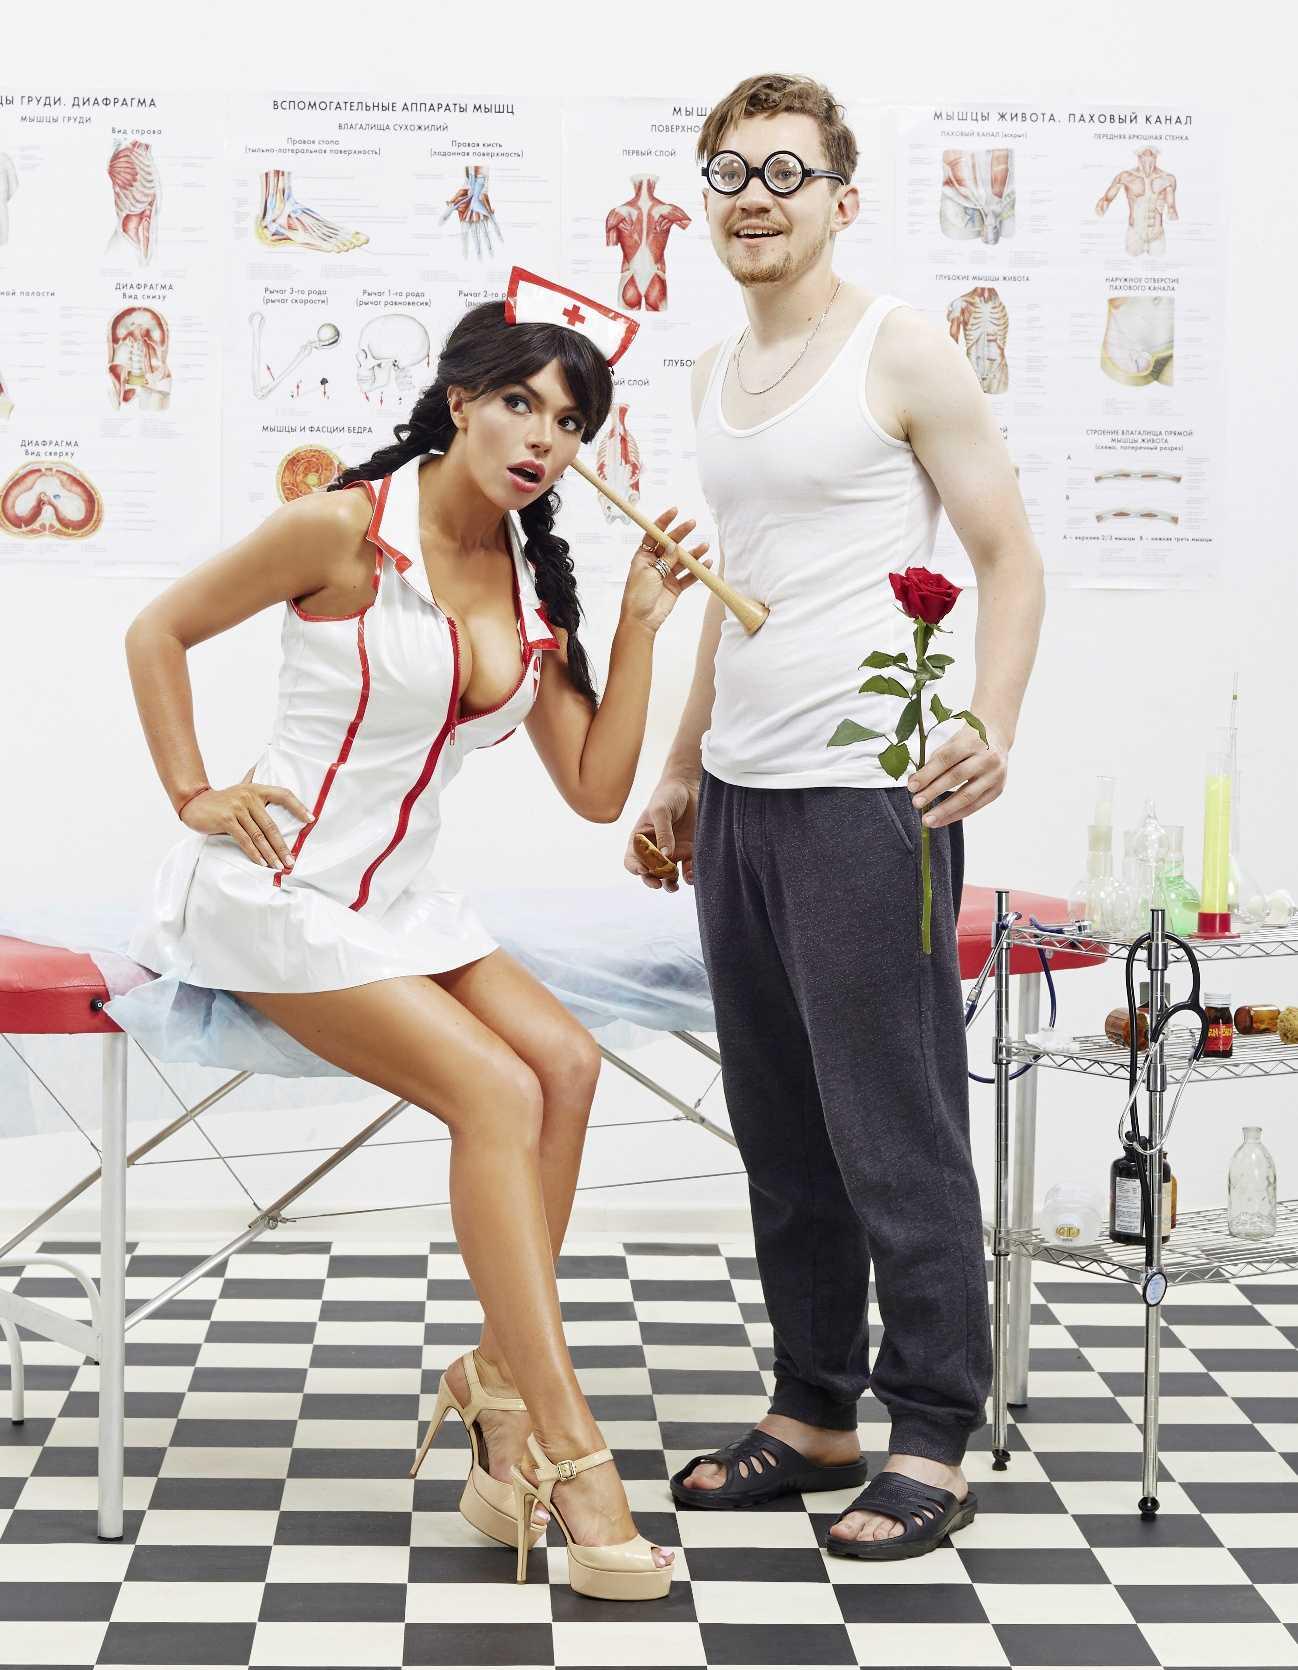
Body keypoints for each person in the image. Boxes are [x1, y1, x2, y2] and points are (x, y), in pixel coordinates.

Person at [124, 292, 710, 1601]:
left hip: (398, 904)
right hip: (274, 895)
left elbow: (596, 789)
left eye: (570, 422)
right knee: (496, 1090)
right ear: (459, 403)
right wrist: (193, 791)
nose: (543, 438)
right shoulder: (341, 527)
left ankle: (495, 1380)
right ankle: (564, 1443)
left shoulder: (527, 581)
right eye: (519, 404)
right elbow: (155, 630)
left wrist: (636, 626)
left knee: (565, 1062)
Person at [625, 73, 1046, 1561]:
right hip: (744, 795)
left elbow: (1008, 555)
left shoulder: (901, 348)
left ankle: (931, 1426)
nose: (754, 197)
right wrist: (681, 766)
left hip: (871, 789)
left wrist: (987, 722)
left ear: (840, 198)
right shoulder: (708, 374)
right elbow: (734, 590)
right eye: (729, 172)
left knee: (892, 1124)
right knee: (781, 1127)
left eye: (785, 172)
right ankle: (813, 1409)